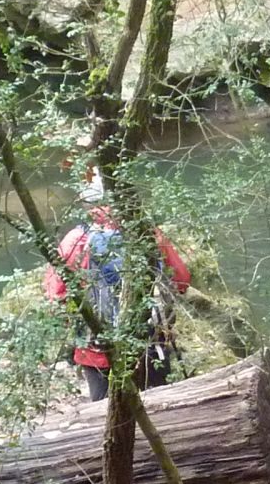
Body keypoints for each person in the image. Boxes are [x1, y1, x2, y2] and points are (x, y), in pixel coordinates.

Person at [44, 167, 191, 401]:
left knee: (103, 417)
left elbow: (55, 295)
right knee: (160, 407)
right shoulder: (147, 233)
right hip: (150, 346)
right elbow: (181, 280)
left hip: (97, 352)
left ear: (86, 205)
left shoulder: (75, 241)